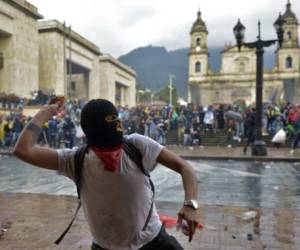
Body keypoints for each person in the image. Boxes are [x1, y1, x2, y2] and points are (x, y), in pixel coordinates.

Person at [14, 99, 200, 250]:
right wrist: (45, 111)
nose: (117, 124)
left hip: (153, 241)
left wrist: (190, 204)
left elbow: (186, 169)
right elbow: (23, 150)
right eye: (109, 119)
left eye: (116, 118)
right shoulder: (75, 159)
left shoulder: (138, 145)